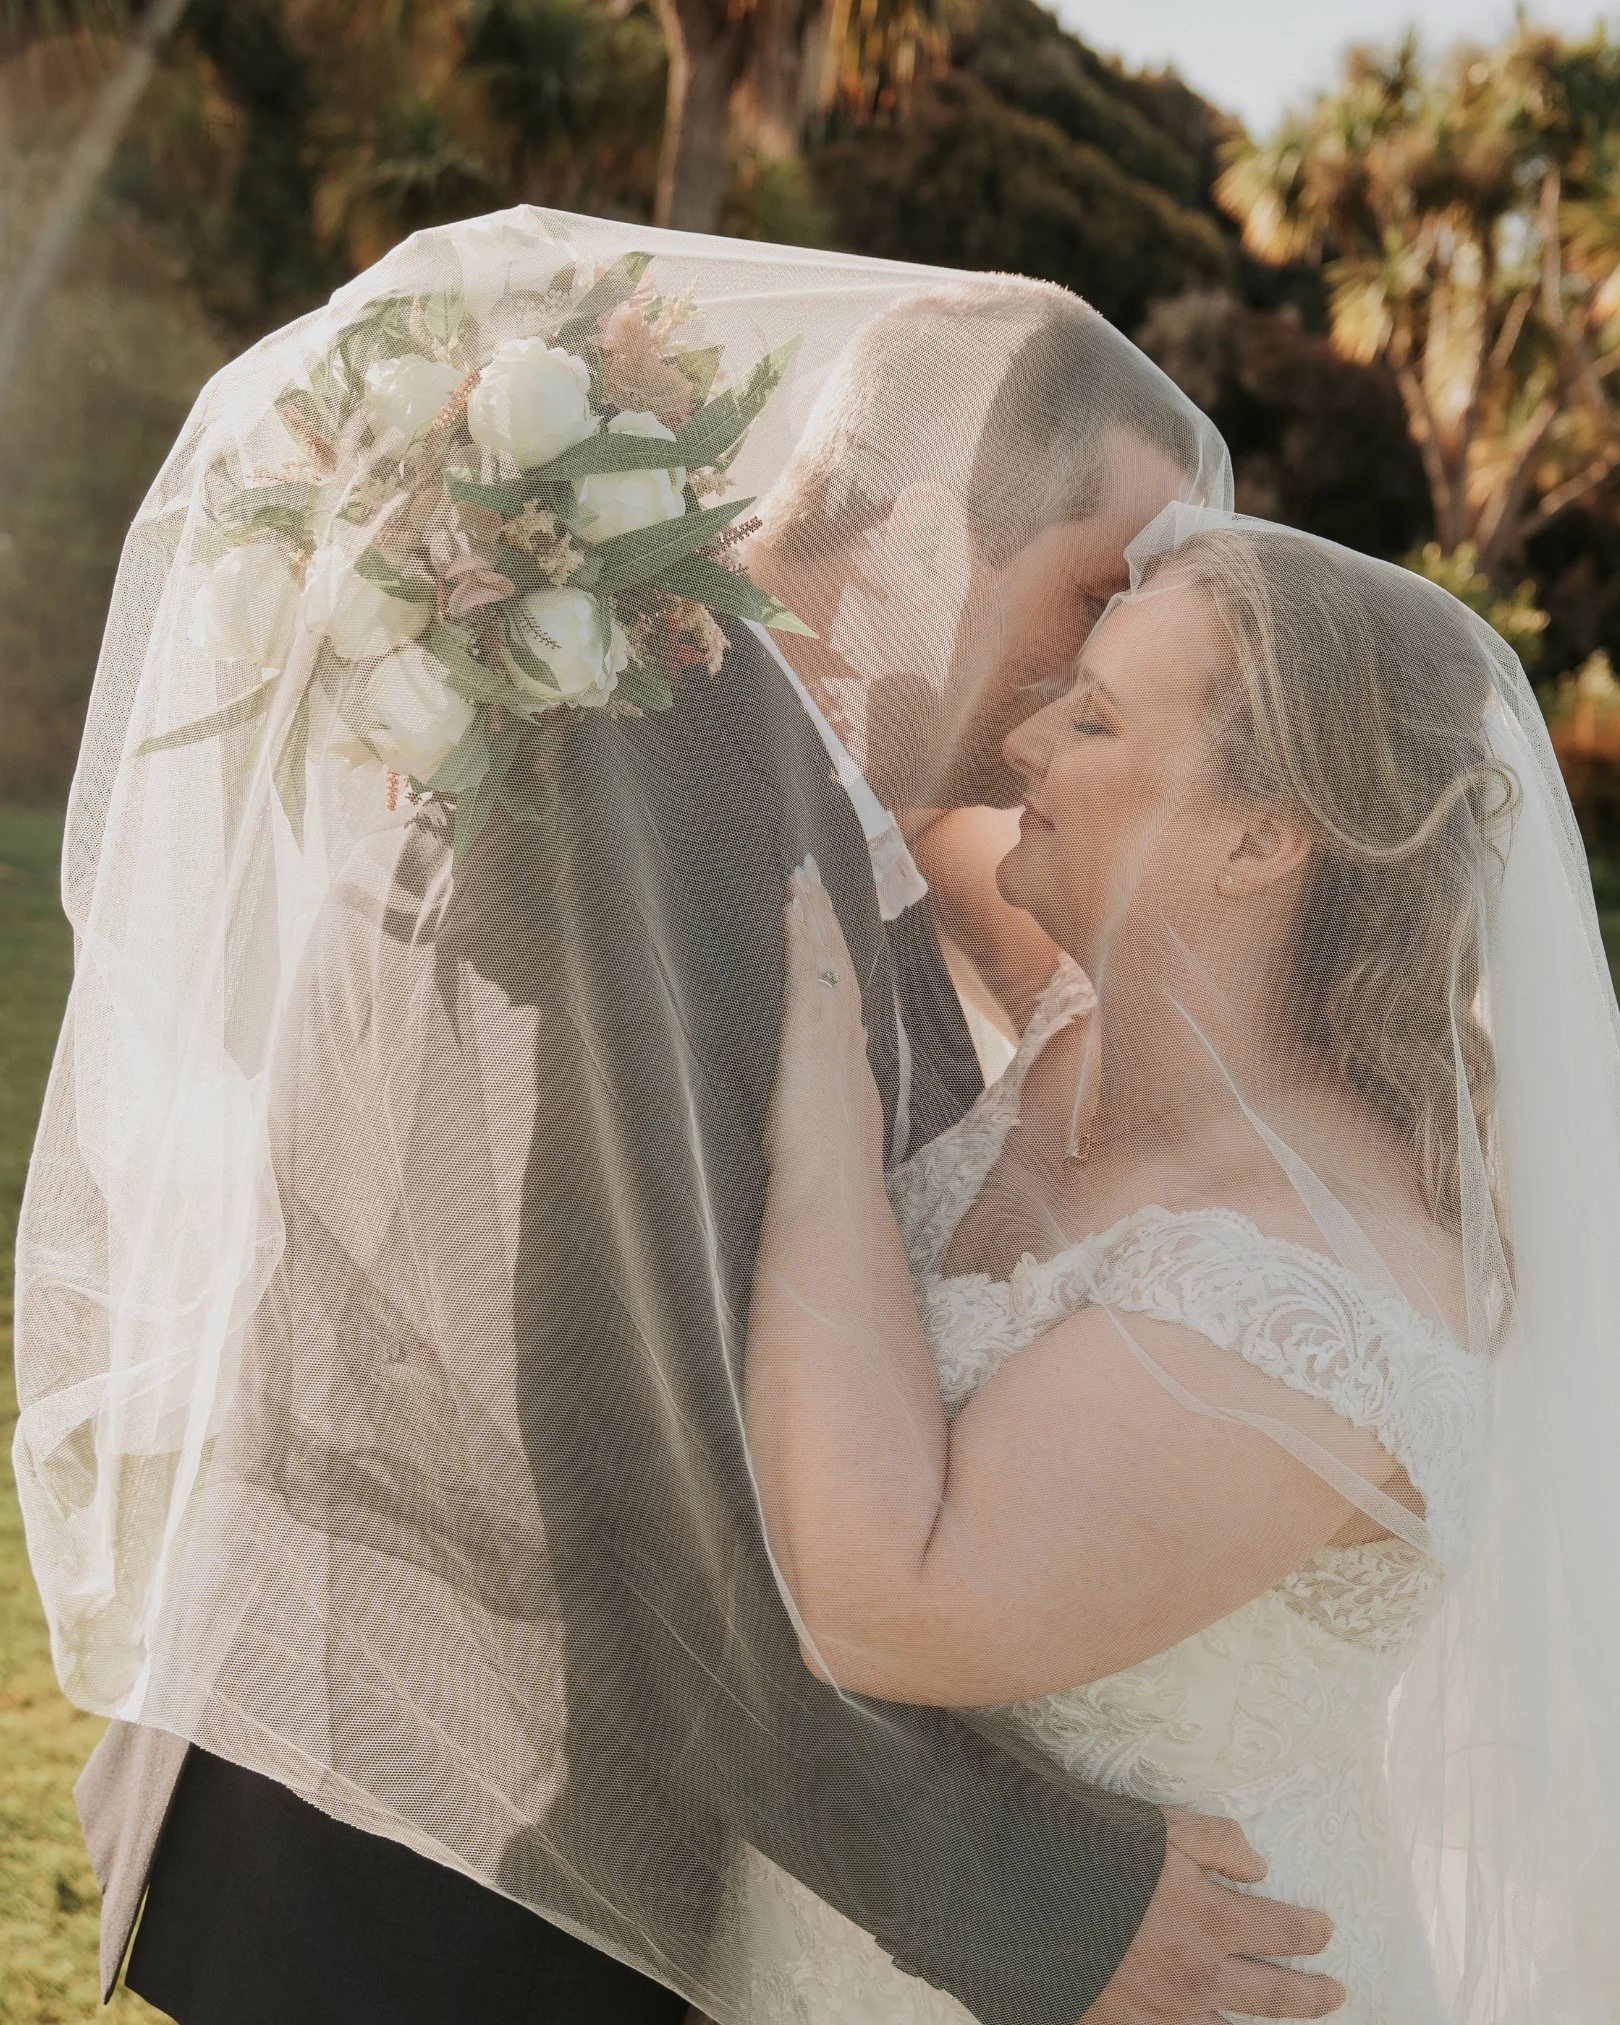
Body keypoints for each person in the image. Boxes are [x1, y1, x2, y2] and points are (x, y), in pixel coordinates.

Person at [16, 213, 1341, 2024]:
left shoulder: (731, 763)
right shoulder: (663, 781)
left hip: (434, 1835)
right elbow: (633, 1448)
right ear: (932, 524)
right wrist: (1044, 1903)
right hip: (427, 1870)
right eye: (1095, 592)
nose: (1099, 661)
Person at [743, 512, 1620, 2021]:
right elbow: (880, 796)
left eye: (1093, 721)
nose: (1024, 743)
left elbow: (882, 1602)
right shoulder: (1089, 1013)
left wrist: (819, 1113)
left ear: (1261, 840)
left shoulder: (1310, 1303)